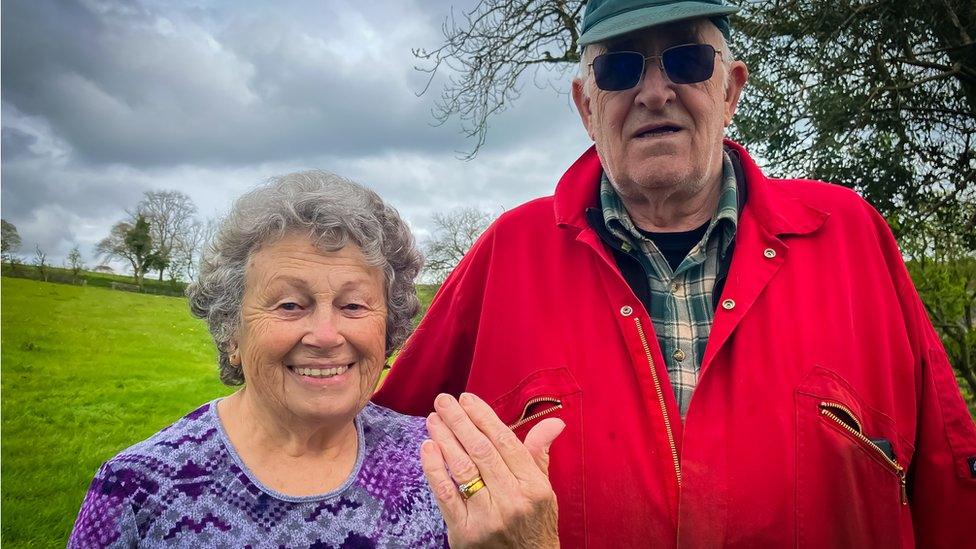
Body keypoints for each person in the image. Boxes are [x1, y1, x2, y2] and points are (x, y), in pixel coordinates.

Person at [374, 0, 976, 546]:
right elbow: (372, 449)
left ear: (731, 91)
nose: (655, 92)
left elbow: (950, 479)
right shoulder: (509, 252)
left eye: (686, 60)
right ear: (587, 105)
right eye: (620, 69)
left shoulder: (850, 237)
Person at [69, 171, 561, 547]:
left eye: (353, 305)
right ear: (230, 331)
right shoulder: (138, 487)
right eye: (289, 305)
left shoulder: (446, 466)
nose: (326, 335)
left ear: (386, 329)